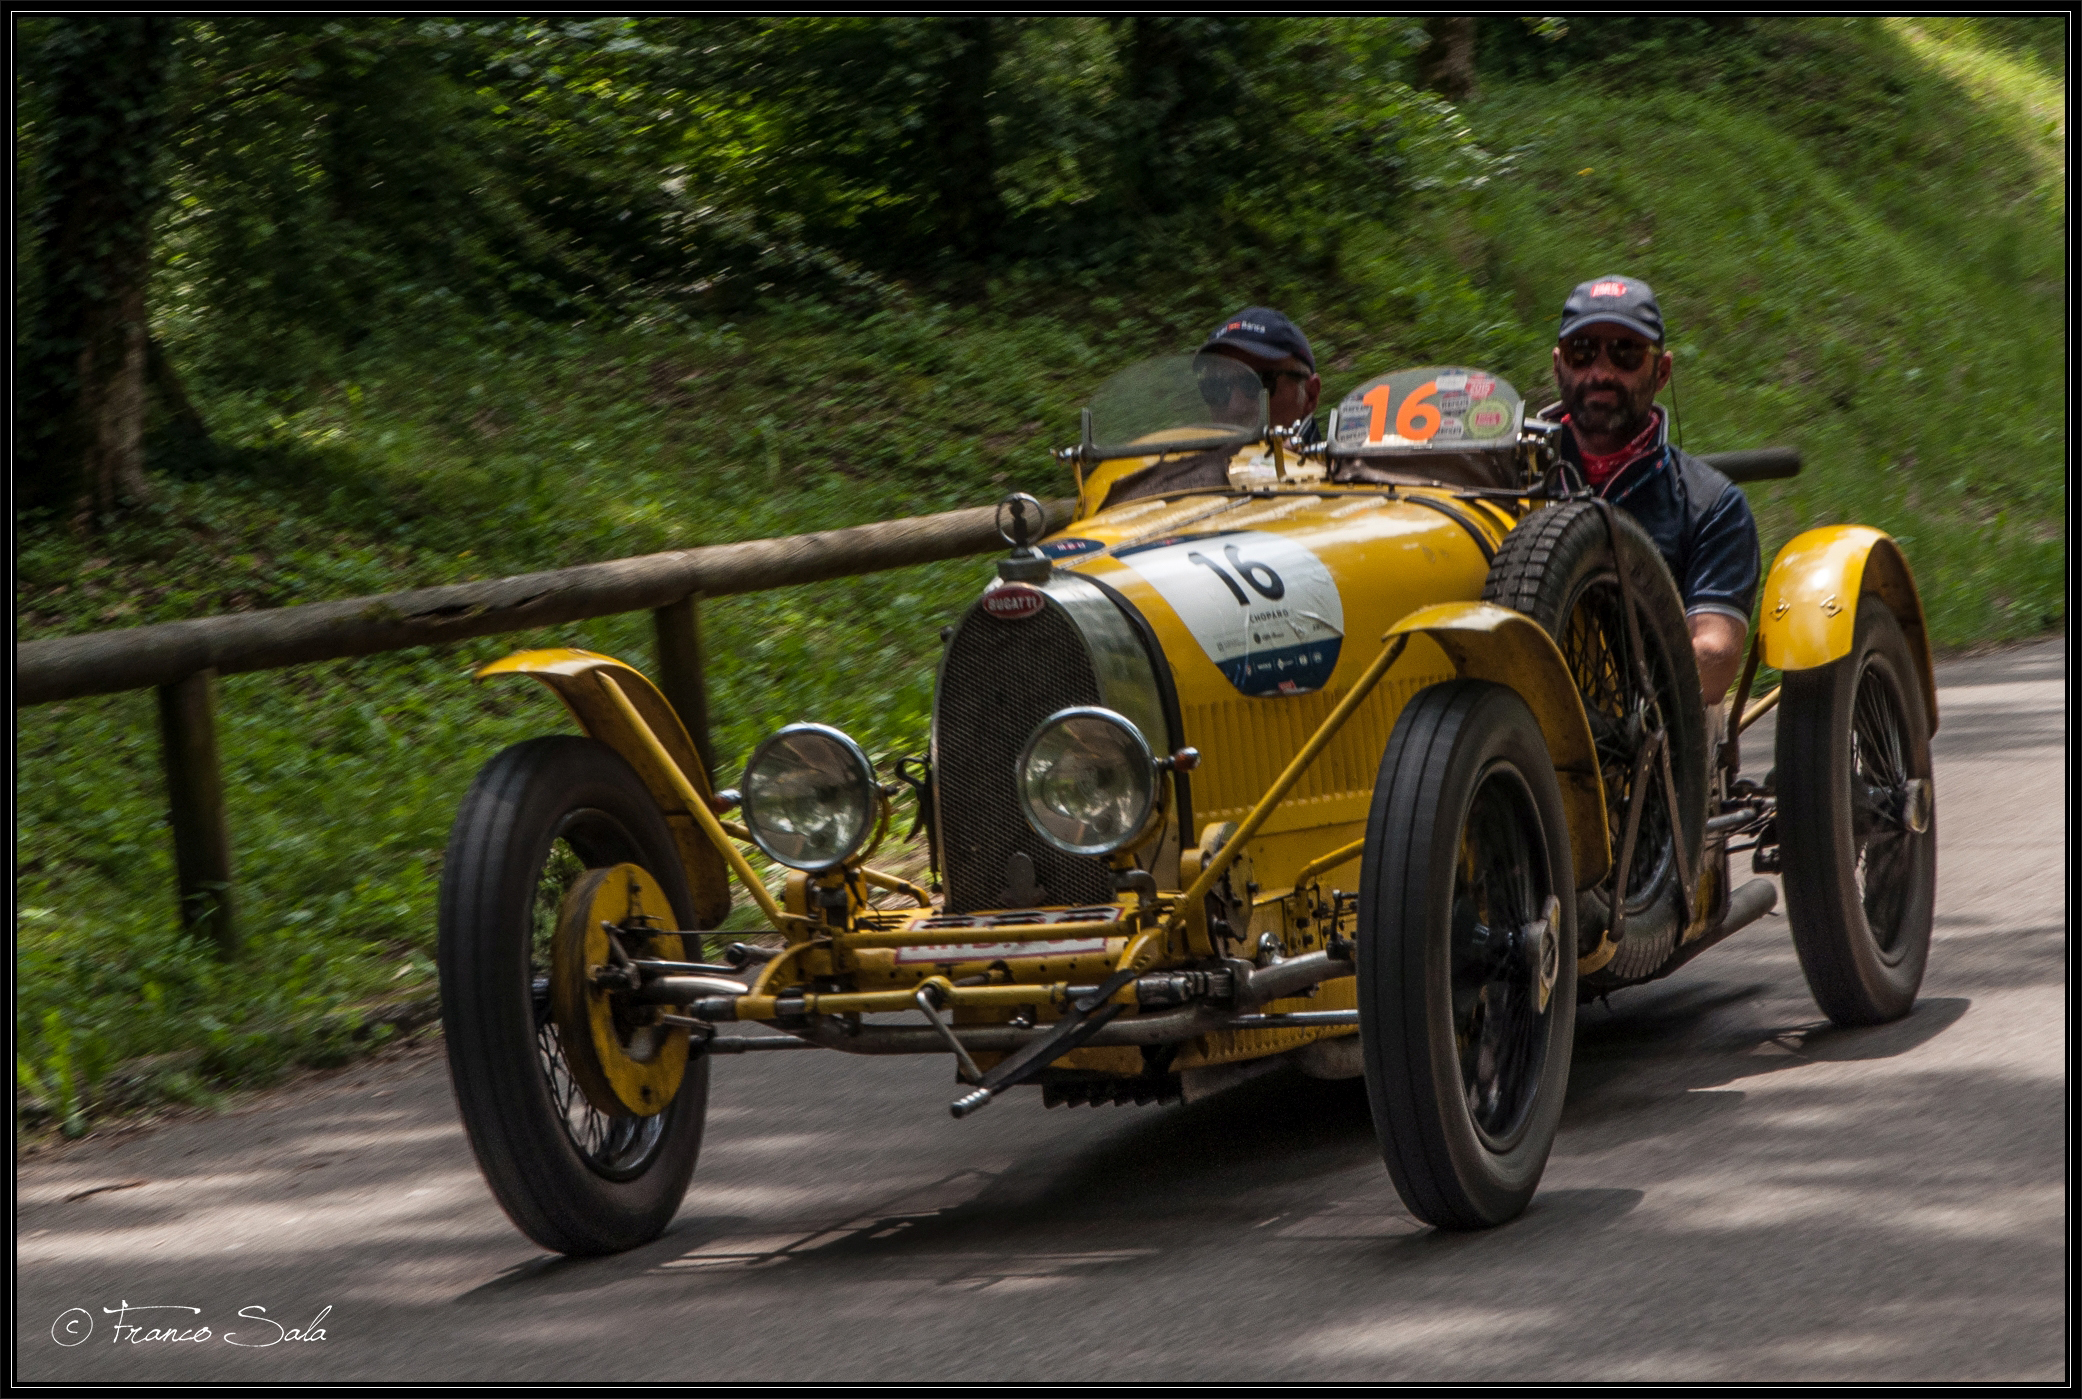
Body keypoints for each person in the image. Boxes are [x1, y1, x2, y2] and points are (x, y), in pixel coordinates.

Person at [1547, 275, 1758, 704]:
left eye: (1625, 353)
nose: (1601, 372)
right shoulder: (1507, 478)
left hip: (1651, 737)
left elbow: (1715, 663)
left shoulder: (1712, 507)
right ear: (1558, 366)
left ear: (1661, 372)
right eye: (1582, 351)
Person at [1198, 306, 1323, 442]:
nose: (1236, 407)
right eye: (1217, 387)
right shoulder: (1188, 459)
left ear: (1310, 395)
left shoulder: (1337, 463)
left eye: (1258, 383)